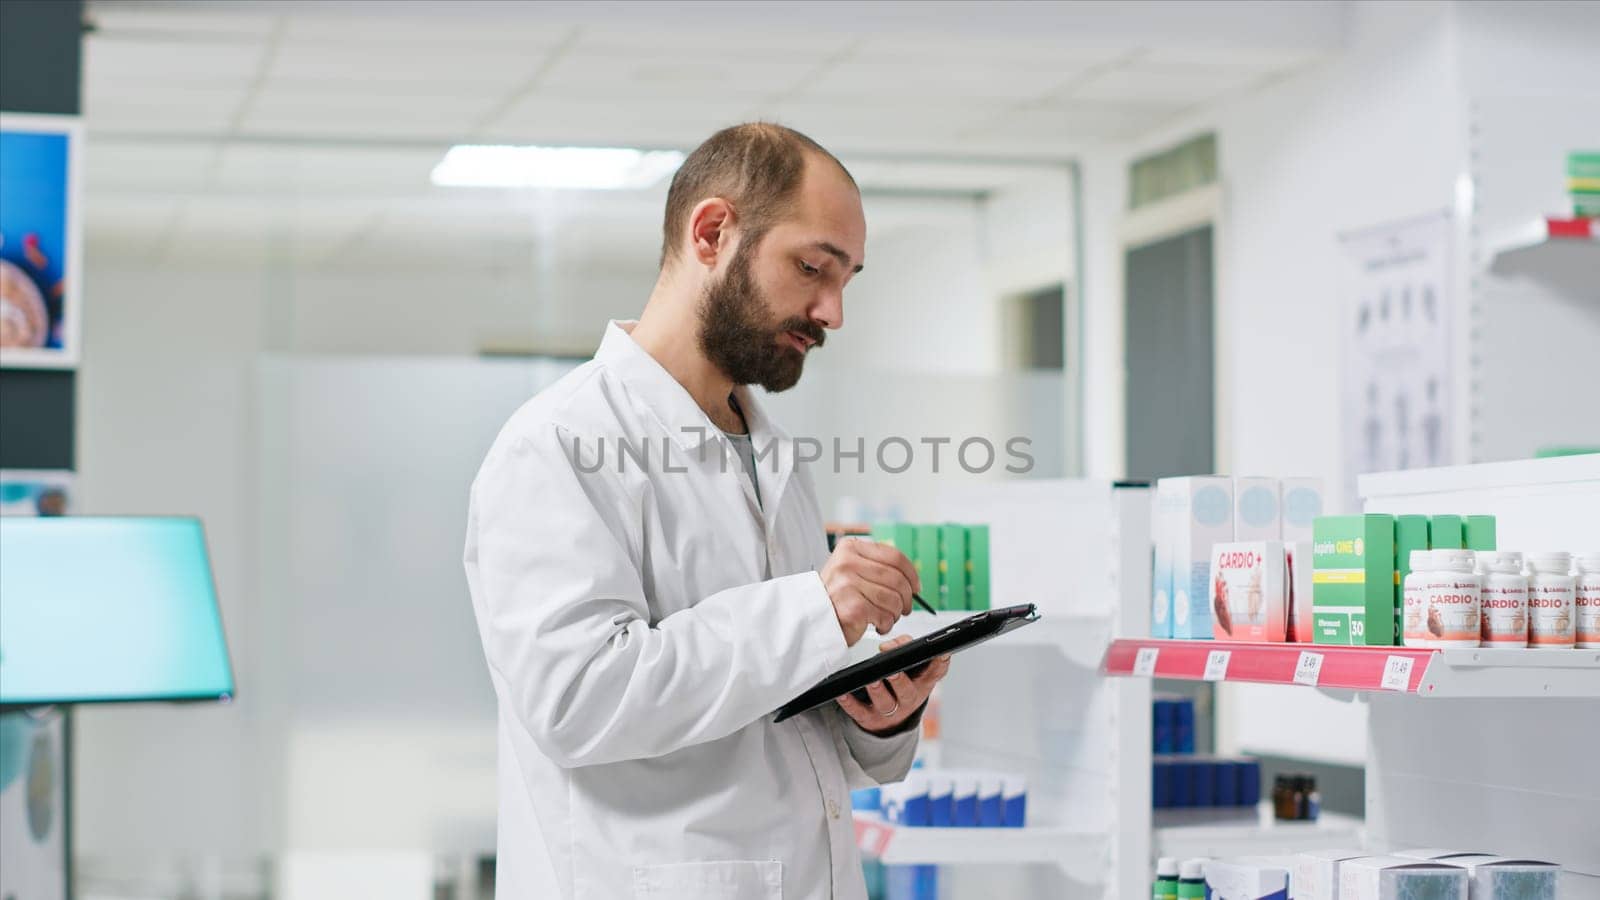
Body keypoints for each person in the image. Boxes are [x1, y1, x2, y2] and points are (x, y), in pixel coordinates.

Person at [463, 123, 951, 900]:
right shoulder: (559, 444)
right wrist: (812, 608)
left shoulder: (771, 456)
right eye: (813, 267)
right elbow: (577, 699)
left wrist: (878, 715)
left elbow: (771, 714)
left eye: (847, 279)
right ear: (713, 231)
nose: (833, 311)